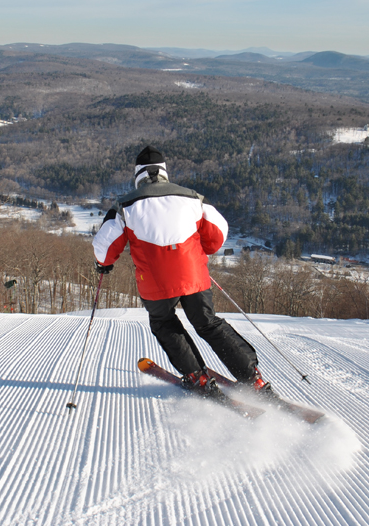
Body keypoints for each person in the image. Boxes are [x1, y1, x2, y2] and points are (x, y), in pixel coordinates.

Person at [92, 145, 271, 396]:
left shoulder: (125, 206)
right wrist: (201, 250)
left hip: (155, 281)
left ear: (138, 175)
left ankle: (197, 377)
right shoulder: (193, 198)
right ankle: (252, 377)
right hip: (193, 275)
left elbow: (104, 245)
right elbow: (218, 232)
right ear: (164, 172)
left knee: (164, 323)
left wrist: (104, 264)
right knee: (208, 323)